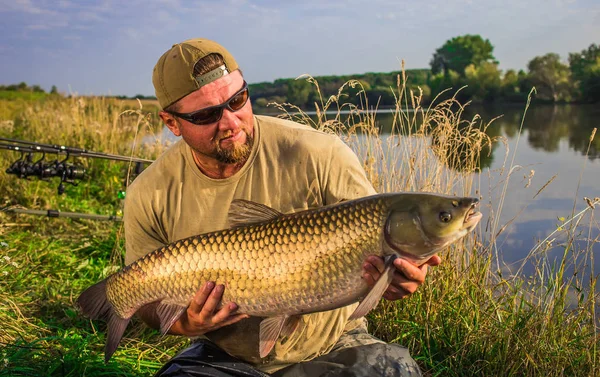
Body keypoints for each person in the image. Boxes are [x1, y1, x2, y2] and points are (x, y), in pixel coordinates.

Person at [123, 38, 441, 377]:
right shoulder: (149, 193)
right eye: (206, 115)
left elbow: (381, 244)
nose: (231, 121)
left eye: (238, 99)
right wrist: (185, 324)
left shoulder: (321, 154)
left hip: (334, 343)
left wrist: (397, 279)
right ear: (172, 123)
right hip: (225, 353)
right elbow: (144, 303)